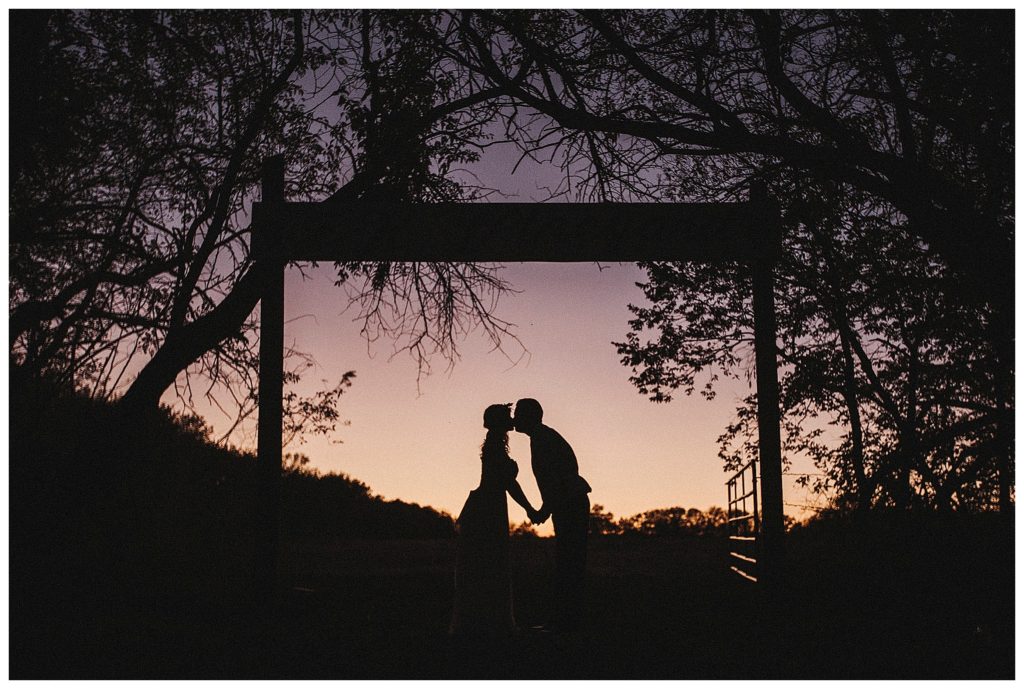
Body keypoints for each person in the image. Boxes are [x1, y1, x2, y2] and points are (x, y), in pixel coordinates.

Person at [450, 403, 542, 639]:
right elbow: (509, 484)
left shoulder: (494, 447)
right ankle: (490, 623)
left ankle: (483, 620)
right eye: (509, 417)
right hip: (488, 508)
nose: (513, 420)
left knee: (486, 565)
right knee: (491, 563)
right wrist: (530, 508)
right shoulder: (496, 450)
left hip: (488, 504)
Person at [513, 398, 591, 634]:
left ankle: (566, 622)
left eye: (518, 414)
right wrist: (547, 508)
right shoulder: (542, 436)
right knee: (569, 560)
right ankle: (567, 619)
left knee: (569, 561)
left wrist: (544, 510)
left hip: (569, 502)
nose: (515, 418)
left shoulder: (542, 439)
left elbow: (553, 480)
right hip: (567, 501)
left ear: (530, 416)